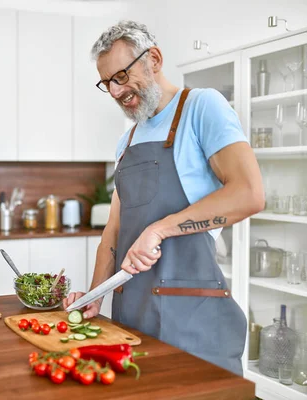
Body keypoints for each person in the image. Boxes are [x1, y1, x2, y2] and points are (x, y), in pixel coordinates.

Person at [63, 21, 264, 376]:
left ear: (153, 59)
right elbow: (114, 231)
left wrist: (160, 229)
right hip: (132, 318)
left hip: (192, 322)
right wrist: (94, 297)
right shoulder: (126, 142)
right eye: (108, 82)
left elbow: (249, 193)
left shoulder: (202, 107)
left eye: (122, 76)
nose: (115, 91)